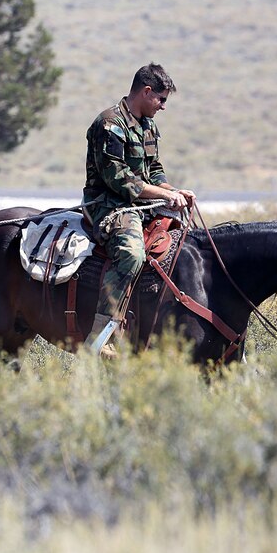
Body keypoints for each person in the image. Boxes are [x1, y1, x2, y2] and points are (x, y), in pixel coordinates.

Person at [81, 63, 195, 356]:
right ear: (146, 92)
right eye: (161, 99)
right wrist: (163, 195)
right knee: (131, 254)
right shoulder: (109, 124)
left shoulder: (148, 125)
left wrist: (173, 191)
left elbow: (153, 169)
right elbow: (117, 179)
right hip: (109, 205)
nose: (163, 107)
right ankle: (102, 333)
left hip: (141, 204)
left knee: (188, 242)